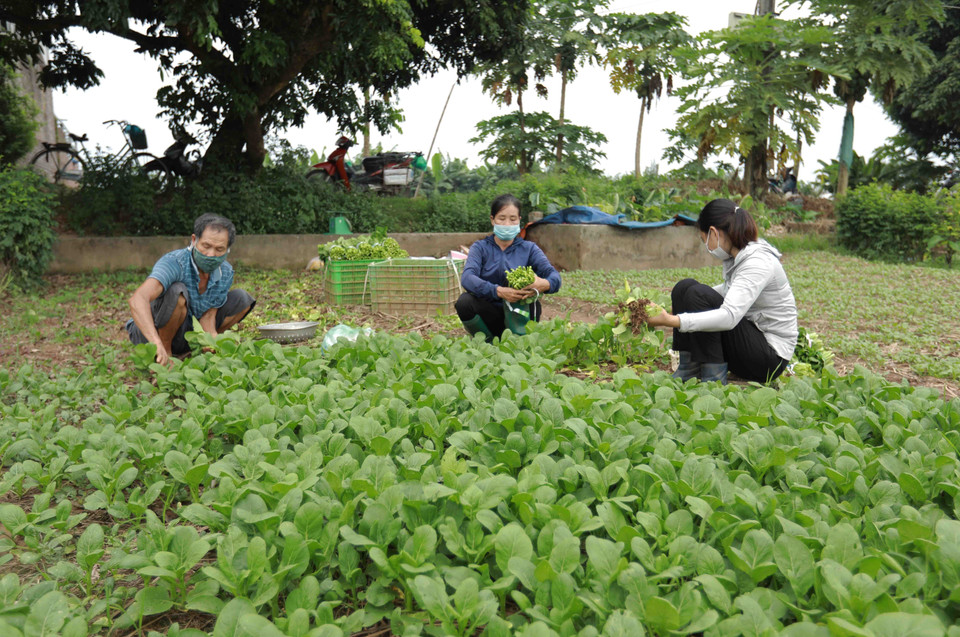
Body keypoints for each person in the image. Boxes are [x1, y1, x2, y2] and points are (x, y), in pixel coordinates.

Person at [645, 198, 798, 384]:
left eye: (705, 240)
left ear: (714, 232)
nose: (707, 247)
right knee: (684, 288)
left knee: (698, 294)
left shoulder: (757, 262)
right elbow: (724, 292)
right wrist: (679, 305)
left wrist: (671, 321)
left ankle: (713, 381)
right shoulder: (738, 256)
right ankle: (688, 369)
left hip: (768, 358)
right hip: (750, 342)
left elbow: (729, 316)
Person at [125, 213, 256, 365]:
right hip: (151, 332)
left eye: (219, 249)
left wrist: (214, 342)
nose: (211, 254)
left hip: (185, 331)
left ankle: (198, 349)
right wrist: (156, 343)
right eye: (206, 246)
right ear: (194, 240)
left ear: (228, 250)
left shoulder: (225, 272)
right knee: (177, 292)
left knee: (242, 299)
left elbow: (208, 316)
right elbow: (137, 299)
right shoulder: (174, 263)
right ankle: (165, 355)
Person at [457, 194, 562, 340]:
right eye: (501, 218)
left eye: (512, 219)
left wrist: (543, 284)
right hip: (489, 314)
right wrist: (498, 291)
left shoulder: (529, 249)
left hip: (519, 312)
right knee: (464, 302)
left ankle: (519, 339)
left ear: (519, 220)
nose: (507, 224)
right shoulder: (480, 248)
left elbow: (555, 277)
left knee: (535, 305)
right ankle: (487, 340)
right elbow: (467, 278)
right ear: (492, 220)